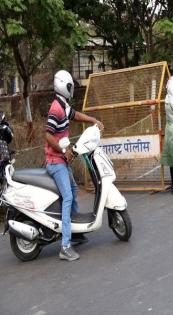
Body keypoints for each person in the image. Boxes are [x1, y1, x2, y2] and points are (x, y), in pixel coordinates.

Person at [45, 70, 104, 261]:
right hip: (55, 161)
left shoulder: (63, 105)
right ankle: (65, 245)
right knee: (68, 196)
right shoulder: (56, 108)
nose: (71, 89)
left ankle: (76, 231)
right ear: (64, 86)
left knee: (73, 189)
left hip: (61, 160)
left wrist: (93, 120)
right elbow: (48, 135)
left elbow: (75, 115)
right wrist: (63, 151)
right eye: (70, 86)